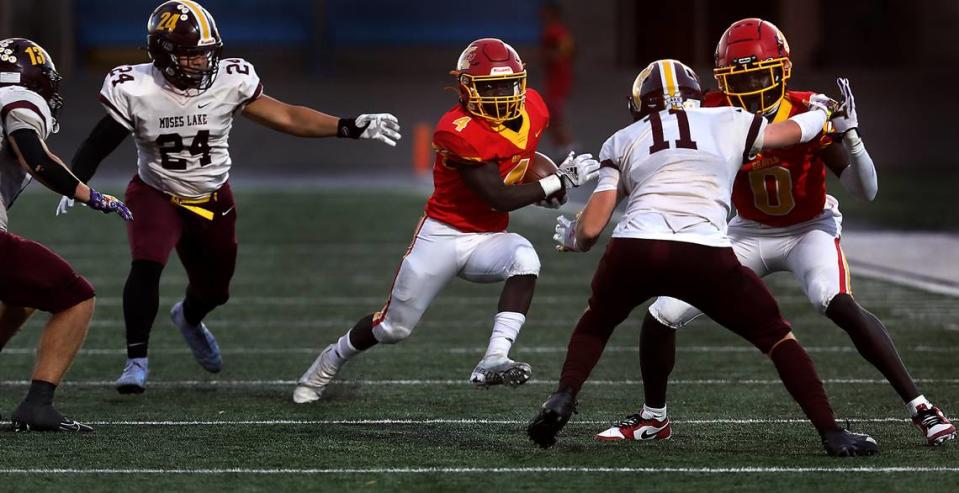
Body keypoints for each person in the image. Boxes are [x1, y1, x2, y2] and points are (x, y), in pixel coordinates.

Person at [606, 18, 954, 447]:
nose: (751, 86)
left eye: (760, 74)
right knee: (663, 314)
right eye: (740, 77)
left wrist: (853, 137)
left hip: (808, 229)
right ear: (721, 81)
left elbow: (866, 189)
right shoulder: (711, 108)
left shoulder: (809, 109)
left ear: (783, 71)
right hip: (745, 232)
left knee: (835, 300)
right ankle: (653, 419)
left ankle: (922, 408)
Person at [527, 58, 878, 457]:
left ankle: (563, 396)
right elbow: (791, 132)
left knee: (597, 320)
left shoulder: (621, 139)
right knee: (777, 336)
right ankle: (831, 432)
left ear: (642, 103)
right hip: (702, 249)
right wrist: (822, 112)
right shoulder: (726, 119)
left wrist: (574, 237)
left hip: (635, 244)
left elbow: (590, 230)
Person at [59, 0, 401, 394]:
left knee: (215, 291)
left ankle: (188, 317)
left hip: (212, 197)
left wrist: (349, 126)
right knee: (146, 263)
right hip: (156, 191)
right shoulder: (135, 87)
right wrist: (75, 180)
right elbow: (99, 141)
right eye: (190, 55)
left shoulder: (230, 79)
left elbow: (288, 116)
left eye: (206, 54)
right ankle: (136, 359)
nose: (202, 63)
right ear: (162, 53)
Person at [293, 38, 599, 403]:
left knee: (525, 257)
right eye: (490, 86)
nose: (501, 94)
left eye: (507, 84)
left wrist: (549, 189)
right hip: (442, 236)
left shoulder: (534, 106)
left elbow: (522, 157)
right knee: (393, 328)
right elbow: (495, 195)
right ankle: (331, 359)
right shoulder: (455, 129)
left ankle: (494, 357)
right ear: (467, 88)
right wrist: (558, 181)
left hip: (487, 237)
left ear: (522, 81)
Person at [0, 38, 132, 431]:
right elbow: (34, 157)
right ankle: (37, 404)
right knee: (76, 297)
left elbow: (42, 153)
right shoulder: (21, 98)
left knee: (22, 298)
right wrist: (89, 195)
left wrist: (75, 179)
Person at [540, 1, 575, 152]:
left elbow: (563, 53)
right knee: (550, 117)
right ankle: (562, 148)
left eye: (545, 12)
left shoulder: (554, 32)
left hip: (558, 80)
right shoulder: (559, 31)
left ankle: (569, 149)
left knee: (554, 117)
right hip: (557, 78)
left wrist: (544, 56)